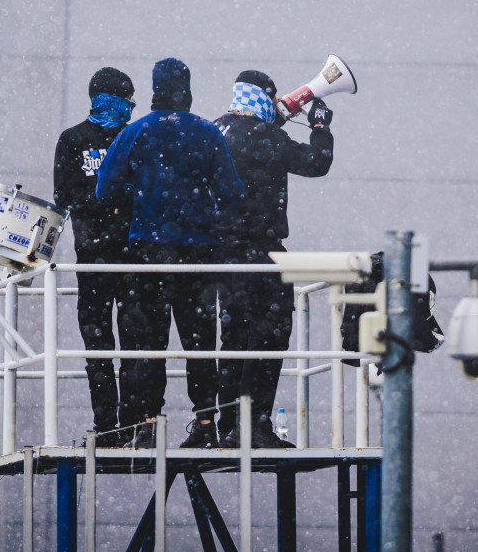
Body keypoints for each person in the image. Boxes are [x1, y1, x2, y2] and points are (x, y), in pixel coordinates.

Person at [96, 57, 243, 449]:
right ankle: (207, 423)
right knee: (199, 344)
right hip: (199, 254)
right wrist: (205, 214)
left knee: (149, 344)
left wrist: (140, 195)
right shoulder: (208, 133)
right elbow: (232, 193)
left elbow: (103, 190)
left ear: (154, 90)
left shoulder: (136, 133)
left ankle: (147, 424)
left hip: (149, 254)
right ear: (187, 90)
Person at [211, 70, 333, 448]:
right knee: (269, 333)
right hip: (261, 252)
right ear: (264, 96)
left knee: (232, 338)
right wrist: (319, 127)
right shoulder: (266, 137)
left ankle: (228, 423)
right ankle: (256, 424)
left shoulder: (216, 130)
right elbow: (316, 163)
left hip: (220, 255)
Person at [53, 66, 137, 448]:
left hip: (132, 257)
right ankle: (107, 425)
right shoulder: (74, 140)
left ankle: (133, 424)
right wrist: (112, 202)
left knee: (136, 344)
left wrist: (104, 203)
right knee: (99, 346)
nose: (131, 108)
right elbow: (64, 196)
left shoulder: (135, 136)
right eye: (126, 100)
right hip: (95, 257)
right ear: (109, 99)